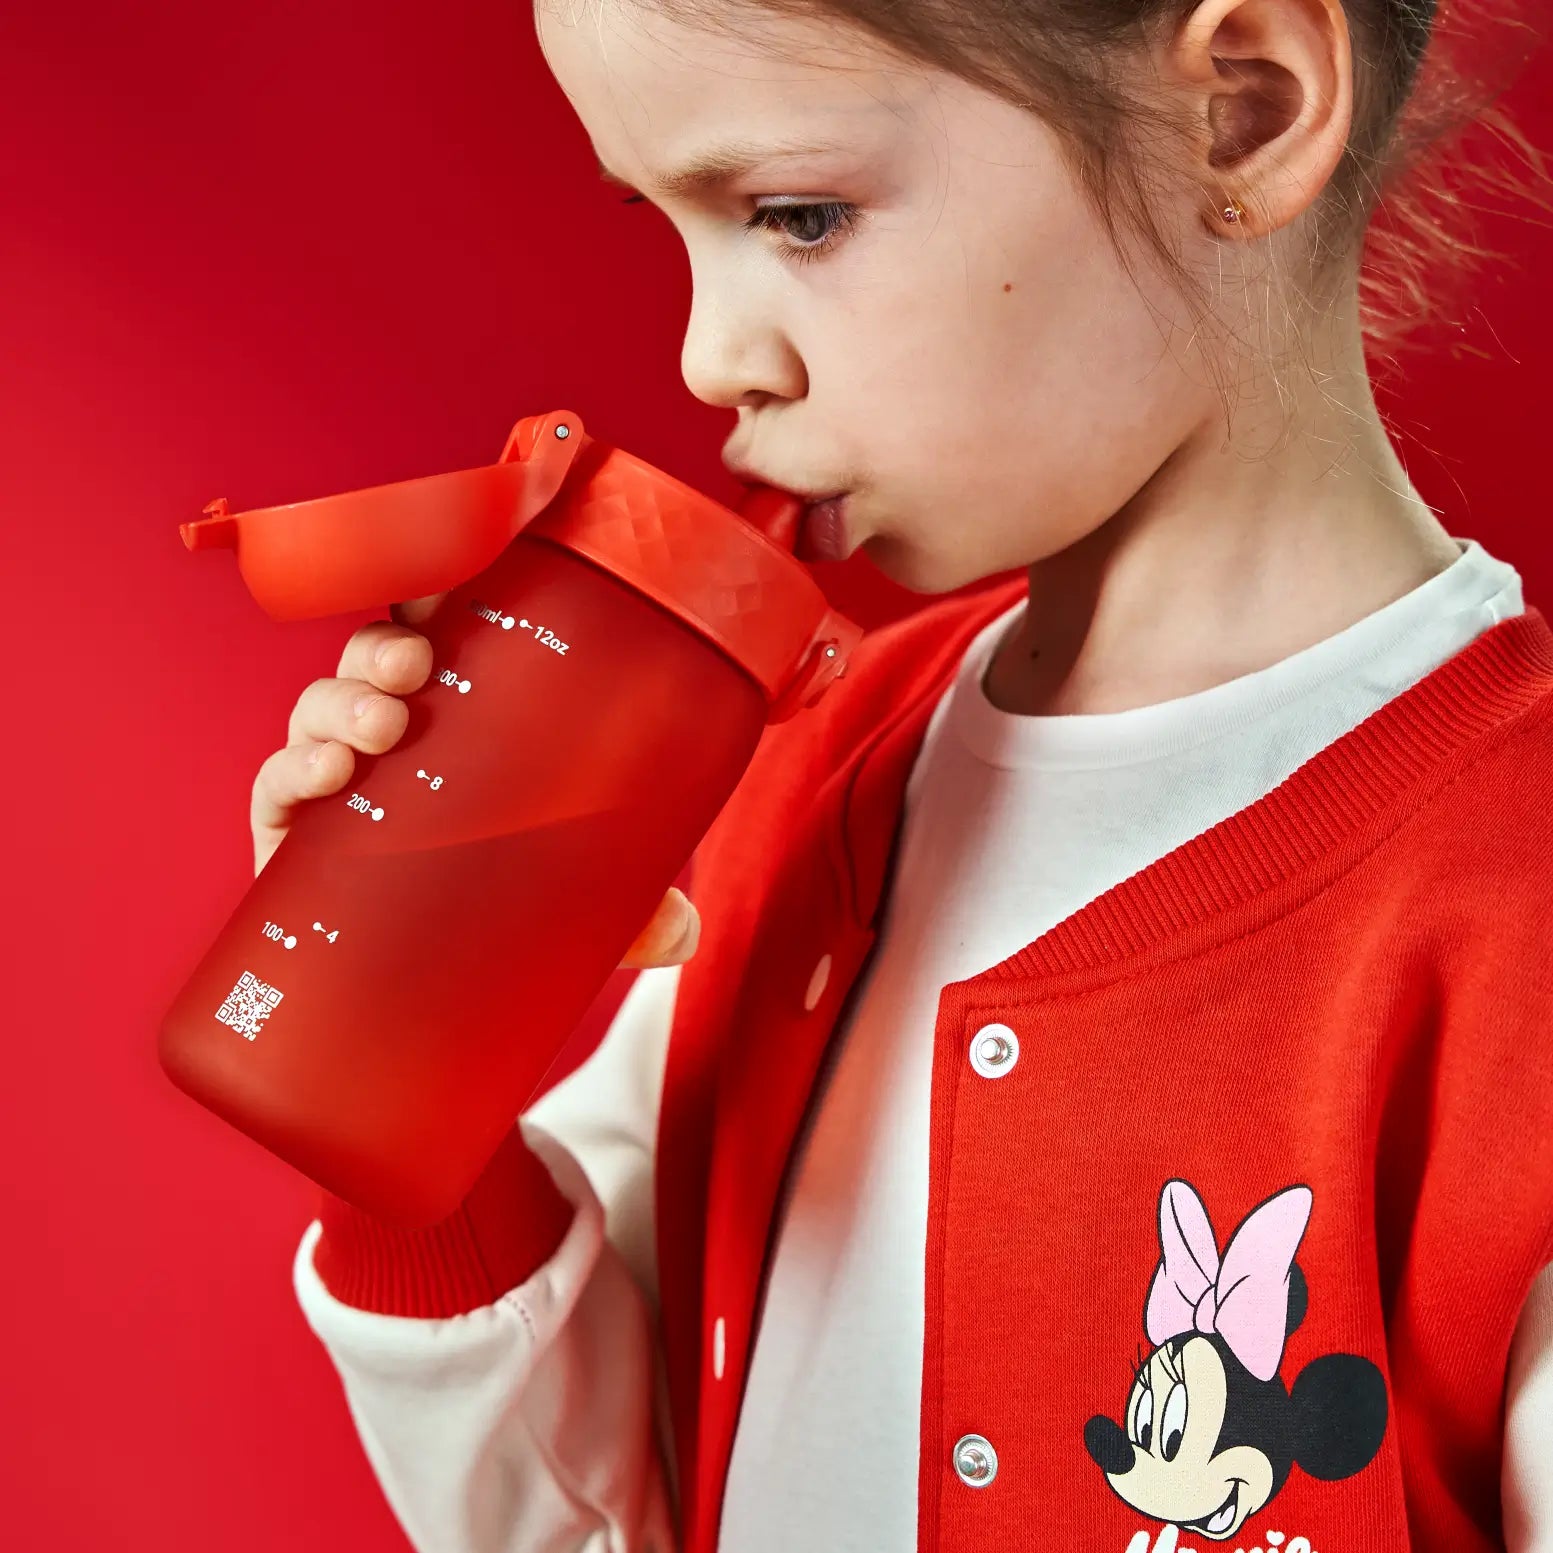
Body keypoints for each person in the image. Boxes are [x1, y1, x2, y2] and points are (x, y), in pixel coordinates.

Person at [255, 0, 1553, 1546]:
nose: (708, 355)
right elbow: (606, 1514)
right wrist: (417, 1086)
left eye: (796, 215)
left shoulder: (1511, 913)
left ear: (1245, 110)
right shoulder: (793, 783)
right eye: (668, 224)